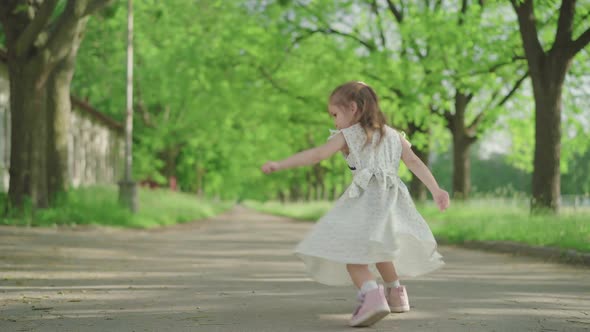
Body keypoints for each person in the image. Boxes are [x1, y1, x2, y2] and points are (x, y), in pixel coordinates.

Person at [261, 81, 450, 327]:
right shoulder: (393, 135)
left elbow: (317, 155)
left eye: (335, 114)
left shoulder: (348, 135)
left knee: (354, 258)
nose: (334, 121)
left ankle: (372, 296)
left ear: (352, 108)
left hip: (366, 204)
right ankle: (397, 294)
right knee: (380, 249)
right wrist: (436, 189)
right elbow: (413, 162)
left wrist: (280, 164)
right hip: (393, 204)